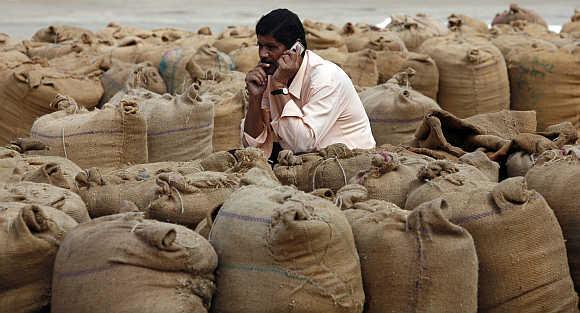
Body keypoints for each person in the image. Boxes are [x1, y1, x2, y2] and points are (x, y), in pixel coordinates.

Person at [242, 8, 376, 161]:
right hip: (306, 155)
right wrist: (255, 97)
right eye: (260, 45)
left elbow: (301, 144)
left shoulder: (326, 78)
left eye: (271, 47)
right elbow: (252, 147)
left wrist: (280, 87)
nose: (262, 54)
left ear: (296, 49)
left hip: (347, 159)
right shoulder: (273, 73)